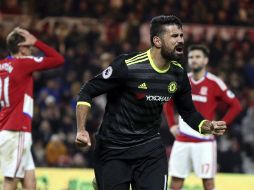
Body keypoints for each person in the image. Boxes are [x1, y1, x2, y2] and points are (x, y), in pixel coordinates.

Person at [75, 15, 227, 190]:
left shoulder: (178, 74)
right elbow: (88, 90)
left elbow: (189, 112)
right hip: (113, 148)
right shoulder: (128, 65)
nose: (181, 41)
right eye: (174, 36)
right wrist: (81, 129)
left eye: (181, 36)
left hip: (149, 149)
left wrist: (208, 126)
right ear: (157, 41)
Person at [164, 44, 242, 190]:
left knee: (208, 183)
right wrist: (171, 125)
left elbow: (236, 105)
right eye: (191, 57)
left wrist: (222, 124)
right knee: (175, 182)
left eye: (198, 57)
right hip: (182, 139)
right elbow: (167, 102)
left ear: (205, 60)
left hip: (204, 141)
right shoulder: (182, 80)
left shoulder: (215, 82)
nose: (194, 60)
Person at [0, 27, 64, 190]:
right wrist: (37, 41)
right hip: (17, 131)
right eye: (29, 47)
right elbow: (58, 59)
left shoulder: (2, 65)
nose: (32, 50)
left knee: (30, 182)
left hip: (7, 129)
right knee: (11, 181)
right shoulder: (23, 63)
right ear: (22, 48)